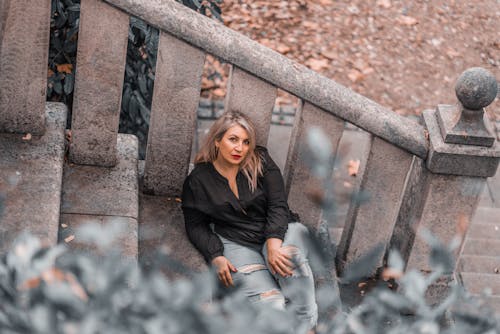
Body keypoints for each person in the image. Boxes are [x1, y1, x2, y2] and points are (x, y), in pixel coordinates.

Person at [181, 110, 317, 330]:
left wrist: (273, 243)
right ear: (217, 141)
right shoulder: (198, 181)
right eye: (233, 140)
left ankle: (306, 326)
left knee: (289, 263)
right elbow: (195, 224)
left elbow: (278, 205)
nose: (240, 148)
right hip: (236, 240)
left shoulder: (260, 160)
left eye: (245, 142)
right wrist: (214, 254)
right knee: (271, 303)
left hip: (281, 230)